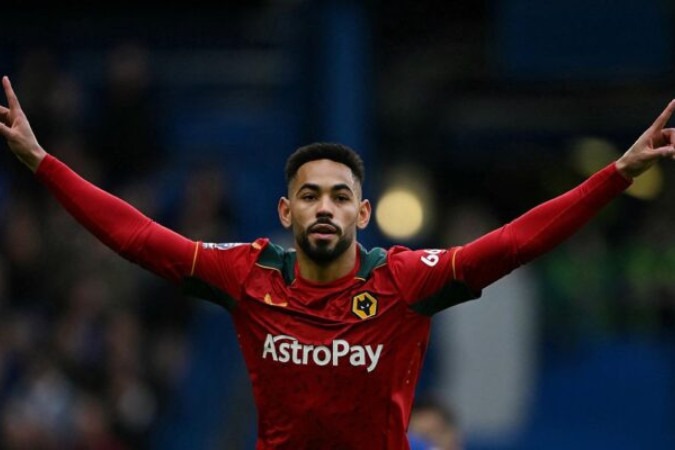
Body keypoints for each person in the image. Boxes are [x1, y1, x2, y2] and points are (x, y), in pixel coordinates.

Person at [1, 74, 674, 450]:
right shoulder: (247, 275)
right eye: (310, 195)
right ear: (287, 211)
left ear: (362, 213)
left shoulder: (407, 282)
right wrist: (44, 163)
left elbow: (517, 241)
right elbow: (138, 236)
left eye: (339, 196)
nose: (324, 207)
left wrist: (616, 173)